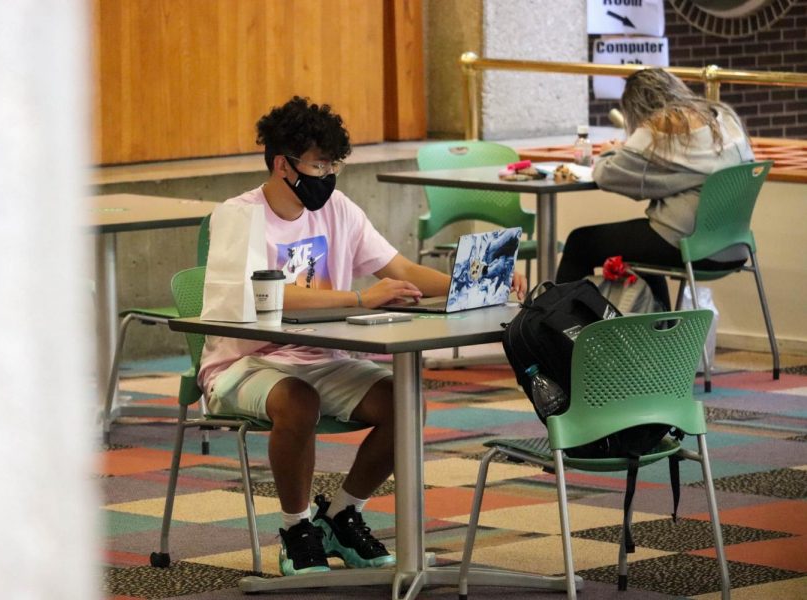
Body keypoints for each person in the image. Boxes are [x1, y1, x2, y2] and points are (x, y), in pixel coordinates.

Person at [199, 96, 527, 576]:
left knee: (405, 403)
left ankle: (341, 514)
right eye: (317, 164)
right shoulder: (238, 216)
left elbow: (402, 270)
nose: (327, 175)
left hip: (319, 357)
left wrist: (483, 280)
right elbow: (264, 297)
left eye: (333, 164)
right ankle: (296, 527)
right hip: (244, 363)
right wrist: (360, 299)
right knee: (298, 400)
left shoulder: (339, 208)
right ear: (281, 163)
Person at [555, 68, 754, 309]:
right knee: (643, 246)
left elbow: (607, 175)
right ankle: (662, 338)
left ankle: (562, 334)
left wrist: (609, 150)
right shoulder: (722, 116)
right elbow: (674, 176)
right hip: (734, 243)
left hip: (691, 245)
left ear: (637, 107)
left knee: (580, 242)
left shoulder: (663, 125)